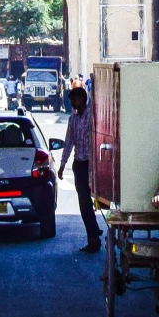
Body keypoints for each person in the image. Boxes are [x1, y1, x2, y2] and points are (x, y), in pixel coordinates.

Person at [57, 82, 102, 253]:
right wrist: (62, 165)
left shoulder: (92, 117)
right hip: (79, 165)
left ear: (82, 99)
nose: (72, 104)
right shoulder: (72, 119)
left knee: (93, 201)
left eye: (74, 100)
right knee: (83, 202)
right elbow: (69, 142)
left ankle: (94, 233)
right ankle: (93, 236)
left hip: (93, 164)